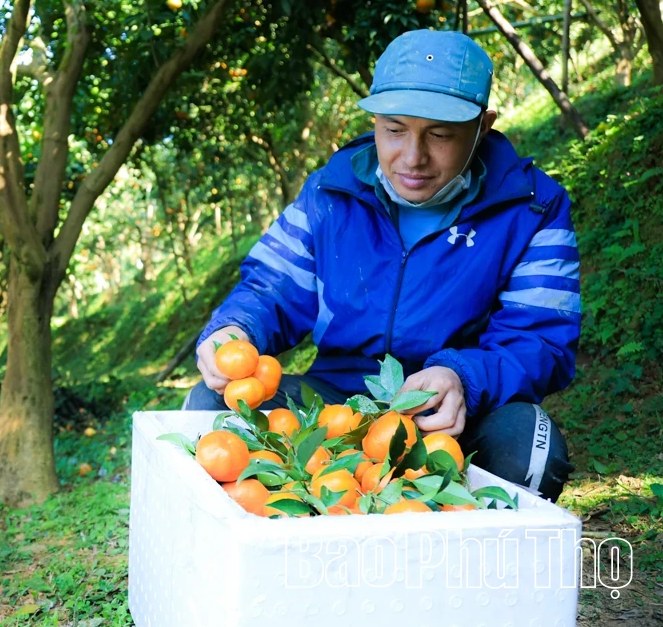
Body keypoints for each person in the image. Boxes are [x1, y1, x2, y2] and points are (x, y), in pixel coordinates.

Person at [185, 29, 578, 502]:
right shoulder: (332, 193)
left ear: (483, 126)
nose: (412, 157)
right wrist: (236, 328)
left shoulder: (532, 209)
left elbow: (540, 340)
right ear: (374, 120)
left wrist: (463, 378)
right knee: (211, 409)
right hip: (334, 401)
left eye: (440, 134)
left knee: (530, 445)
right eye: (394, 129)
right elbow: (271, 287)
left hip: (451, 414)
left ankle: (475, 567)